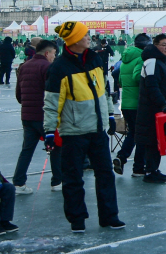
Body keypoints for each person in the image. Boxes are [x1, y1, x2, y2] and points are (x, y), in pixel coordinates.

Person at [43, 21, 123, 232]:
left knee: (105, 174)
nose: (89, 37)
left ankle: (109, 216)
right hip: (73, 132)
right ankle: (77, 219)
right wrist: (50, 131)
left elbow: (103, 90)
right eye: (85, 35)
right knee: (73, 178)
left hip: (97, 130)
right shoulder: (59, 67)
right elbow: (52, 103)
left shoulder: (95, 58)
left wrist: (110, 116)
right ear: (75, 40)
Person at [13, 40, 61, 194]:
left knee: (26, 150)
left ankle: (19, 183)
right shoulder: (48, 67)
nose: (54, 56)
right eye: (53, 53)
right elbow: (53, 94)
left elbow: (19, 95)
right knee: (55, 147)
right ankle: (57, 181)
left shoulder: (24, 66)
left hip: (27, 115)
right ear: (47, 53)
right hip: (45, 116)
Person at [134, 34, 166, 183]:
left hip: (159, 109)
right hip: (152, 111)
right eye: (163, 44)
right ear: (155, 46)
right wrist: (162, 103)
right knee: (152, 141)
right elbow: (152, 86)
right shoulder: (151, 62)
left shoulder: (159, 62)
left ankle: (153, 169)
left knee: (157, 141)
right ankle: (150, 171)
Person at [113, 33, 151, 178]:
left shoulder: (125, 59)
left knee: (133, 133)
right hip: (138, 103)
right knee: (142, 135)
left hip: (126, 103)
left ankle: (122, 157)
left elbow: (119, 79)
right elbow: (137, 77)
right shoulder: (141, 58)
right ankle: (138, 167)